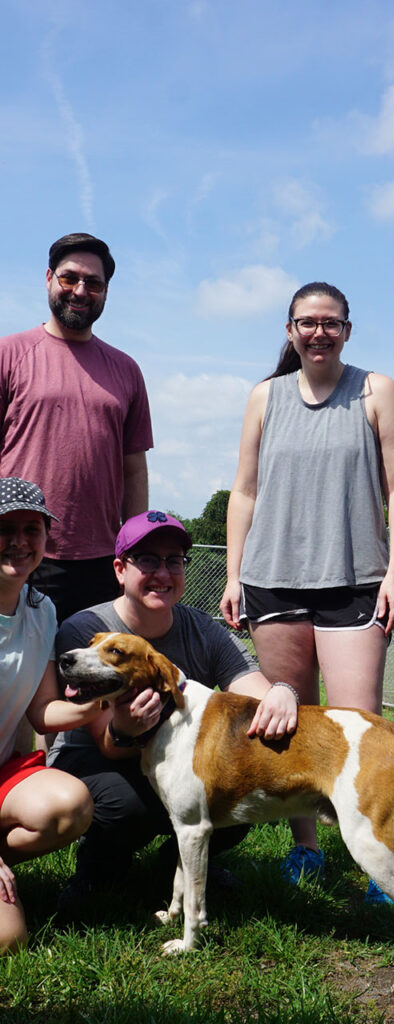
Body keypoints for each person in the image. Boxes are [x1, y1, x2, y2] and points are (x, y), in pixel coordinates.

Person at [220, 281, 394, 900]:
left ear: (347, 330)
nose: (319, 332)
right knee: (290, 724)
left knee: (362, 728)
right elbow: (244, 491)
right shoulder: (264, 397)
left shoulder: (375, 390)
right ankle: (306, 848)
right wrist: (232, 573)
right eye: (307, 322)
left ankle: (385, 860)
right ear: (290, 330)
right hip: (271, 576)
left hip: (356, 578)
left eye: (330, 323)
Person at [48, 509, 298, 913]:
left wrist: (283, 691)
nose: (162, 573)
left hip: (171, 760)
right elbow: (108, 744)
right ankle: (100, 868)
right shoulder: (86, 631)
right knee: (127, 804)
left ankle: (178, 863)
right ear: (119, 569)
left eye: (174, 561)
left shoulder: (202, 628)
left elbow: (256, 693)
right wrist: (124, 728)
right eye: (147, 560)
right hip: (95, 760)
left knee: (239, 785)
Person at [0, 233, 153, 624]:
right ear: (48, 278)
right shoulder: (10, 354)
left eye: (94, 283)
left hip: (101, 560)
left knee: (88, 682)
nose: (80, 290)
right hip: (18, 551)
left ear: (105, 292)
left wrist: (133, 549)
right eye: (69, 278)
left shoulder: (126, 370)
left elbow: (133, 468)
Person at [0, 477, 99, 952]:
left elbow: (43, 711)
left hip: (3, 772)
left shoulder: (41, 610)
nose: (19, 541)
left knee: (69, 807)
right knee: (8, 941)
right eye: (5, 528)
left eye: (32, 529)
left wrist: (106, 700)